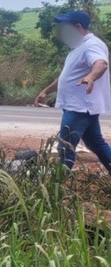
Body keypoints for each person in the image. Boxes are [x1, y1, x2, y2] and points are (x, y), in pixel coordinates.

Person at [34, 10, 111, 174]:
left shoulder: (92, 45)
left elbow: (101, 64)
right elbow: (66, 76)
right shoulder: (78, 47)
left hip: (80, 107)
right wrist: (46, 91)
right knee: (96, 144)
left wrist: (91, 77)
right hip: (80, 106)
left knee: (65, 146)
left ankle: (56, 186)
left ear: (77, 27)